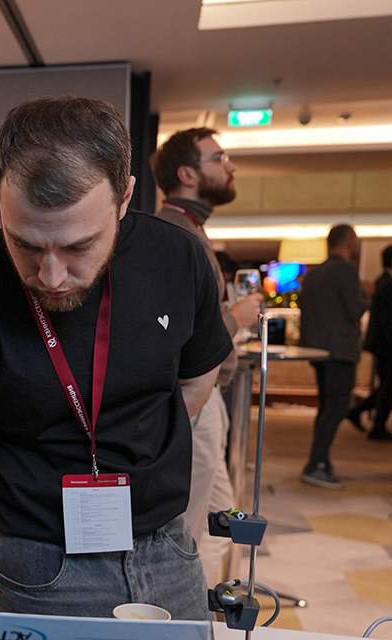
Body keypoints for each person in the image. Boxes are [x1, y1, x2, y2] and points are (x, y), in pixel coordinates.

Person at [0, 96, 233, 620]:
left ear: (124, 198)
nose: (51, 276)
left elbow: (196, 379)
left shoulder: (178, 259)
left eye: (78, 247)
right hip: (37, 564)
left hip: (167, 547)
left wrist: (130, 445)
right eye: (26, 245)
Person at [152, 128, 262, 583]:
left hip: (207, 393)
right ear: (187, 174)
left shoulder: (189, 229)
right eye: (219, 158)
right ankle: (174, 608)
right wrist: (235, 318)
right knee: (187, 529)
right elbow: (179, 332)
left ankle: (196, 604)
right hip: (194, 394)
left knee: (220, 517)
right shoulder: (175, 234)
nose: (230, 166)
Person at [298, 225, 371, 489]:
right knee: (337, 407)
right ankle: (316, 463)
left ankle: (320, 460)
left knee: (327, 406)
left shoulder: (314, 273)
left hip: (318, 349)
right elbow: (354, 309)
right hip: (340, 350)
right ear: (350, 242)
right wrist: (367, 295)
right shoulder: (347, 271)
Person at [348, 245, 392, 440]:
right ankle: (376, 424)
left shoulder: (383, 282)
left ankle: (366, 416)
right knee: (389, 385)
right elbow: (389, 320)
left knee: (388, 384)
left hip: (381, 342)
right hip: (387, 343)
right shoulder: (387, 284)